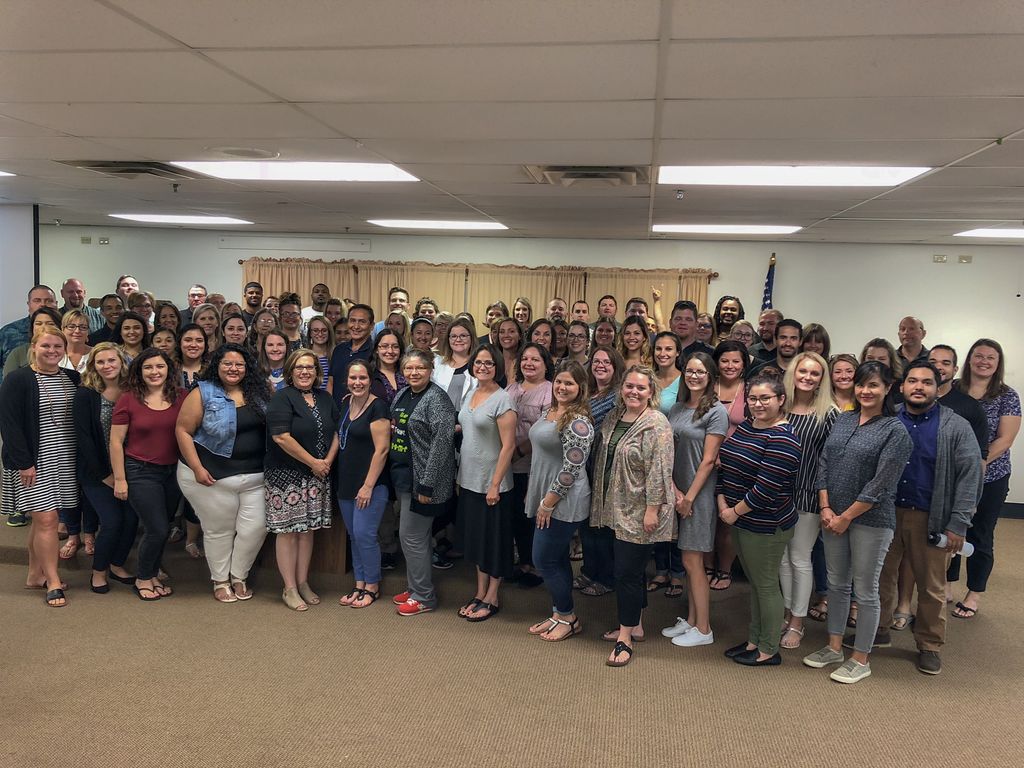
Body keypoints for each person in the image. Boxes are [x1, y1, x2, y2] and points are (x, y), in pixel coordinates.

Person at [803, 361, 913, 684]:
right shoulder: (844, 419)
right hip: (832, 515)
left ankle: (861, 658)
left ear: (888, 388)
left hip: (871, 520)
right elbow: (824, 462)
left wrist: (846, 516)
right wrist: (825, 507)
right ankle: (834, 647)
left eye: (874, 385)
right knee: (837, 584)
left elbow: (881, 484)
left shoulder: (895, 431)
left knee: (865, 590)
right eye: (861, 384)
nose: (866, 391)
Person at [874, 362, 983, 675]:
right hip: (885, 513)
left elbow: (970, 477)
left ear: (938, 388)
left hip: (930, 517)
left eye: (926, 382)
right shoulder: (888, 417)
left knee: (931, 586)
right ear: (902, 386)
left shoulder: (955, 426)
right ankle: (878, 629)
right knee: (880, 577)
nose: (918, 387)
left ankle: (929, 644)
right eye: (912, 381)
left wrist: (958, 523)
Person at [589, 366, 675, 667]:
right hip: (615, 506)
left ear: (651, 392)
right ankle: (635, 625)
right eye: (629, 386)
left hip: (640, 510)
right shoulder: (614, 416)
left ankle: (625, 637)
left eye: (641, 387)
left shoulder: (656, 424)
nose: (634, 392)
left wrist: (652, 510)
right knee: (631, 571)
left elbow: (660, 470)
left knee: (626, 573)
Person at [716, 372, 802, 667]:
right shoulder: (748, 426)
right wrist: (722, 501)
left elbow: (765, 490)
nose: (758, 404)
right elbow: (726, 464)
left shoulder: (784, 439)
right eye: (752, 398)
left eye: (765, 398)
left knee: (765, 586)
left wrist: (732, 512)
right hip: (740, 519)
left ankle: (768, 649)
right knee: (755, 583)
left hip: (766, 524)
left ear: (781, 400)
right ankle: (754, 640)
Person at [176, 344, 270, 603]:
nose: (233, 368)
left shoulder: (259, 391)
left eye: (239, 364)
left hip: (256, 476)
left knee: (256, 527)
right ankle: (220, 580)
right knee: (219, 530)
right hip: (211, 477)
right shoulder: (202, 392)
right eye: (227, 363)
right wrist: (197, 468)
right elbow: (183, 430)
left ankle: (239, 575)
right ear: (216, 365)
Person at [0, 328, 80, 605]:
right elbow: (9, 424)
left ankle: (35, 575)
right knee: (47, 520)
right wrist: (24, 463)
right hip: (33, 461)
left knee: (42, 519)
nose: (52, 351)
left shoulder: (72, 377)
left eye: (58, 346)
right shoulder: (18, 379)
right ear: (33, 347)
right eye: (46, 345)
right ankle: (53, 581)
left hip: (65, 458)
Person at [949, 339, 1021, 619]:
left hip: (991, 475)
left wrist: (976, 463)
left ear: (998, 363)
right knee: (951, 529)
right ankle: (947, 584)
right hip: (951, 474)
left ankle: (974, 593)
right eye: (979, 356)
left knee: (980, 532)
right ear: (969, 359)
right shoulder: (953, 388)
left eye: (991, 357)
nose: (984, 361)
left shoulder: (1007, 395)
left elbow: (1005, 439)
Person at [661, 352, 728, 648]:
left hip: (697, 496)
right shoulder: (677, 407)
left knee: (692, 560)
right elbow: (668, 451)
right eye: (689, 370)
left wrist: (688, 497)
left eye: (700, 371)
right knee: (688, 561)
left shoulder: (715, 411)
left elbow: (709, 460)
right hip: (677, 492)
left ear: (710, 376)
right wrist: (675, 491)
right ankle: (690, 620)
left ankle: (703, 629)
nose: (694, 376)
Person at [264, 349, 340, 611]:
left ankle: (303, 582)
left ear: (317, 372)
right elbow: (281, 437)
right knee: (289, 532)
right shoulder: (281, 398)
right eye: (299, 367)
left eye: (310, 367)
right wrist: (314, 463)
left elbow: (337, 432)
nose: (305, 372)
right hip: (286, 476)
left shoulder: (325, 398)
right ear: (290, 371)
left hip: (318, 475)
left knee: (307, 531)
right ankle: (289, 587)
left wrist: (327, 461)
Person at [526, 361, 594, 641]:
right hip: (546, 492)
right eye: (559, 382)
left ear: (580, 388)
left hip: (564, 499)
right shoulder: (550, 411)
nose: (562, 387)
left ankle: (568, 617)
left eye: (569, 383)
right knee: (556, 557)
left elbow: (571, 470)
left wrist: (548, 503)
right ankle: (559, 613)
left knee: (543, 559)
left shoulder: (578, 422)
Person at [110, 348, 185, 602]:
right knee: (157, 529)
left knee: (163, 526)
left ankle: (152, 575)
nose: (155, 372)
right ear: (139, 372)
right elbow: (116, 442)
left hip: (173, 472)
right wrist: (120, 479)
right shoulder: (128, 399)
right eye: (148, 367)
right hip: (140, 471)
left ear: (169, 370)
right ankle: (143, 578)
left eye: (160, 366)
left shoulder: (181, 397)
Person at [778, 352, 839, 650]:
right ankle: (787, 611)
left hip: (808, 494)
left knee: (800, 557)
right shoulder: (780, 405)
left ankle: (798, 622)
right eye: (803, 371)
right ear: (793, 372)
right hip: (777, 493)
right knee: (781, 559)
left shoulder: (828, 413)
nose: (808, 377)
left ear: (822, 378)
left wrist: (825, 500)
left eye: (815, 373)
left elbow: (830, 461)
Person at [391, 350, 457, 616]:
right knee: (411, 538)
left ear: (431, 370)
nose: (414, 372)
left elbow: (442, 446)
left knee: (413, 537)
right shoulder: (403, 394)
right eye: (409, 368)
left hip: (425, 481)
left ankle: (423, 596)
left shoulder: (437, 399)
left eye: (420, 368)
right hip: (403, 476)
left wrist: (427, 484)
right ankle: (414, 587)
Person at [456, 344, 517, 622]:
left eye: (489, 363)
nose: (482, 367)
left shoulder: (503, 400)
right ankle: (480, 592)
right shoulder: (471, 392)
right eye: (478, 362)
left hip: (493, 485)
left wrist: (494, 484)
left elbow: (509, 446)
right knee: (477, 542)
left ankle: (492, 596)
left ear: (497, 367)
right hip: (469, 480)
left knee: (494, 543)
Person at [73, 343, 137, 593]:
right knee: (112, 521)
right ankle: (99, 571)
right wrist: (105, 475)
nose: (107, 366)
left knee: (131, 520)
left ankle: (117, 564)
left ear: (122, 362)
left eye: (112, 360)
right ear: (93, 365)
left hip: (129, 468)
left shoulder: (133, 390)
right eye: (100, 362)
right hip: (95, 471)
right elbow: (84, 438)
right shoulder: (86, 394)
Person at [335, 359, 391, 608]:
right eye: (353, 378)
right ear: (346, 380)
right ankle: (359, 583)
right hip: (346, 481)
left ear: (370, 380)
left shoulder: (378, 407)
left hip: (370, 484)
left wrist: (368, 486)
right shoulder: (346, 402)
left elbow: (382, 450)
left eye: (362, 378)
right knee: (353, 536)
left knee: (364, 534)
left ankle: (372, 585)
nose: (357, 382)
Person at [574, 345, 626, 597]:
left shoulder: (618, 396)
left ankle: (606, 577)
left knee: (602, 525)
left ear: (615, 367)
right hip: (583, 466)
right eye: (596, 361)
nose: (600, 365)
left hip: (605, 466)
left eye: (606, 362)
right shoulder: (586, 393)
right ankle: (589, 570)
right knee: (586, 522)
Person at [506, 343, 554, 588]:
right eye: (525, 359)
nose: (529, 363)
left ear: (546, 364)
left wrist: (517, 452)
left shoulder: (550, 391)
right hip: (509, 465)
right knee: (516, 516)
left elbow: (545, 431)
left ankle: (536, 567)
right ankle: (524, 562)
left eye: (535, 359)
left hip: (533, 465)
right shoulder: (511, 388)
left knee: (532, 517)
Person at [705, 340, 749, 590]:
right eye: (724, 361)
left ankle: (724, 569)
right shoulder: (707, 386)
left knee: (727, 521)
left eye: (735, 361)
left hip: (735, 466)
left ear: (744, 364)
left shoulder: (750, 390)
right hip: (705, 462)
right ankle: (707, 566)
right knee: (706, 517)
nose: (730, 366)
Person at [649, 331, 685, 596]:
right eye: (659, 348)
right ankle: (661, 570)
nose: (663, 353)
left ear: (677, 353)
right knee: (657, 509)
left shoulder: (685, 381)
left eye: (668, 349)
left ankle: (678, 574)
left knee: (676, 511)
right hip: (650, 453)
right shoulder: (649, 379)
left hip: (678, 452)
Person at [367, 330, 406, 570]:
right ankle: (387, 548)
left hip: (406, 447)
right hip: (378, 446)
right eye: (384, 346)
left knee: (404, 499)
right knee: (383, 499)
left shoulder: (408, 373)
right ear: (376, 349)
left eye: (394, 346)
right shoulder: (370, 377)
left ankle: (408, 547)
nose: (389, 351)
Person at [327, 303, 374, 402]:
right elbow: (331, 381)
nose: (356, 326)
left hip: (363, 408)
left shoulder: (375, 352)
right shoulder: (339, 349)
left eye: (362, 322)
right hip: (336, 408)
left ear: (372, 326)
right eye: (352, 321)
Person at [3, 307, 63, 377]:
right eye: (38, 324)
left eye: (50, 324)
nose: (43, 327)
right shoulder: (18, 353)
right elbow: (9, 380)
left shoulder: (67, 351)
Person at [432, 317, 478, 409]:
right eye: (453, 336)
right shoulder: (437, 364)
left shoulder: (479, 366)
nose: (458, 339)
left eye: (463, 336)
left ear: (471, 338)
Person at [306, 315, 335, 390]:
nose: (320, 334)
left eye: (324, 330)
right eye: (315, 330)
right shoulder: (304, 356)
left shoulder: (336, 355)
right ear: (310, 333)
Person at [177, 323, 209, 391]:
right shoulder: (170, 369)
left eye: (199, 341)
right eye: (188, 340)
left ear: (205, 344)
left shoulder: (212, 370)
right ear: (179, 343)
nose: (193, 345)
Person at [495, 317, 523, 385]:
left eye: (511, 331)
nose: (506, 335)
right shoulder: (492, 360)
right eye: (502, 332)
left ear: (520, 335)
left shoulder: (525, 361)